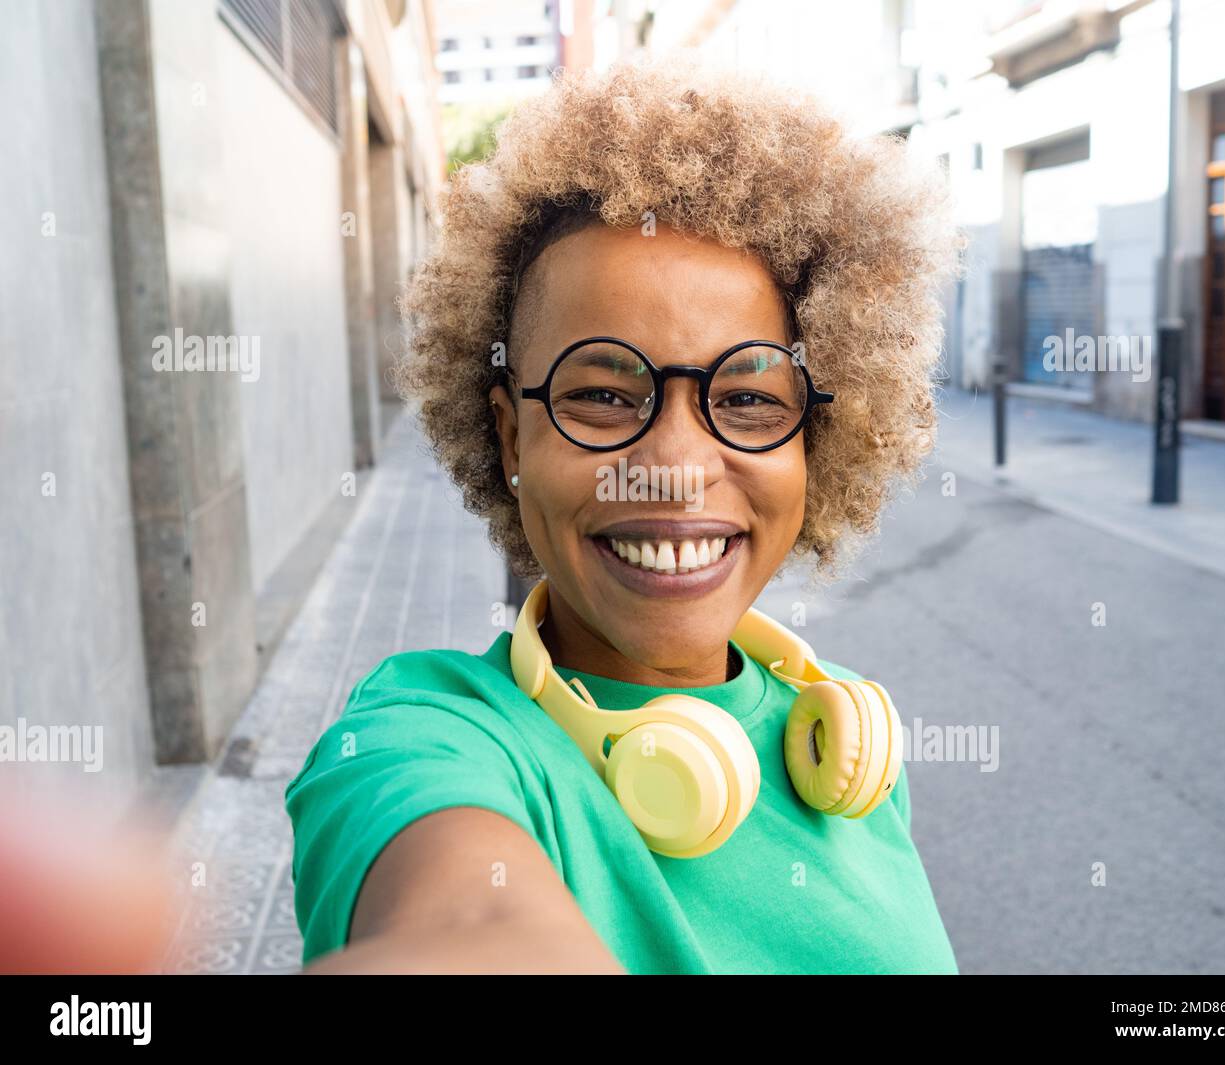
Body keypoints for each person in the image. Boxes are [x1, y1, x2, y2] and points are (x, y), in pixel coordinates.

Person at [286, 55, 961, 975]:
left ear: (817, 437)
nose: (677, 469)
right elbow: (464, 931)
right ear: (511, 436)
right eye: (603, 395)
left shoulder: (841, 744)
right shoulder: (428, 736)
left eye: (750, 399)